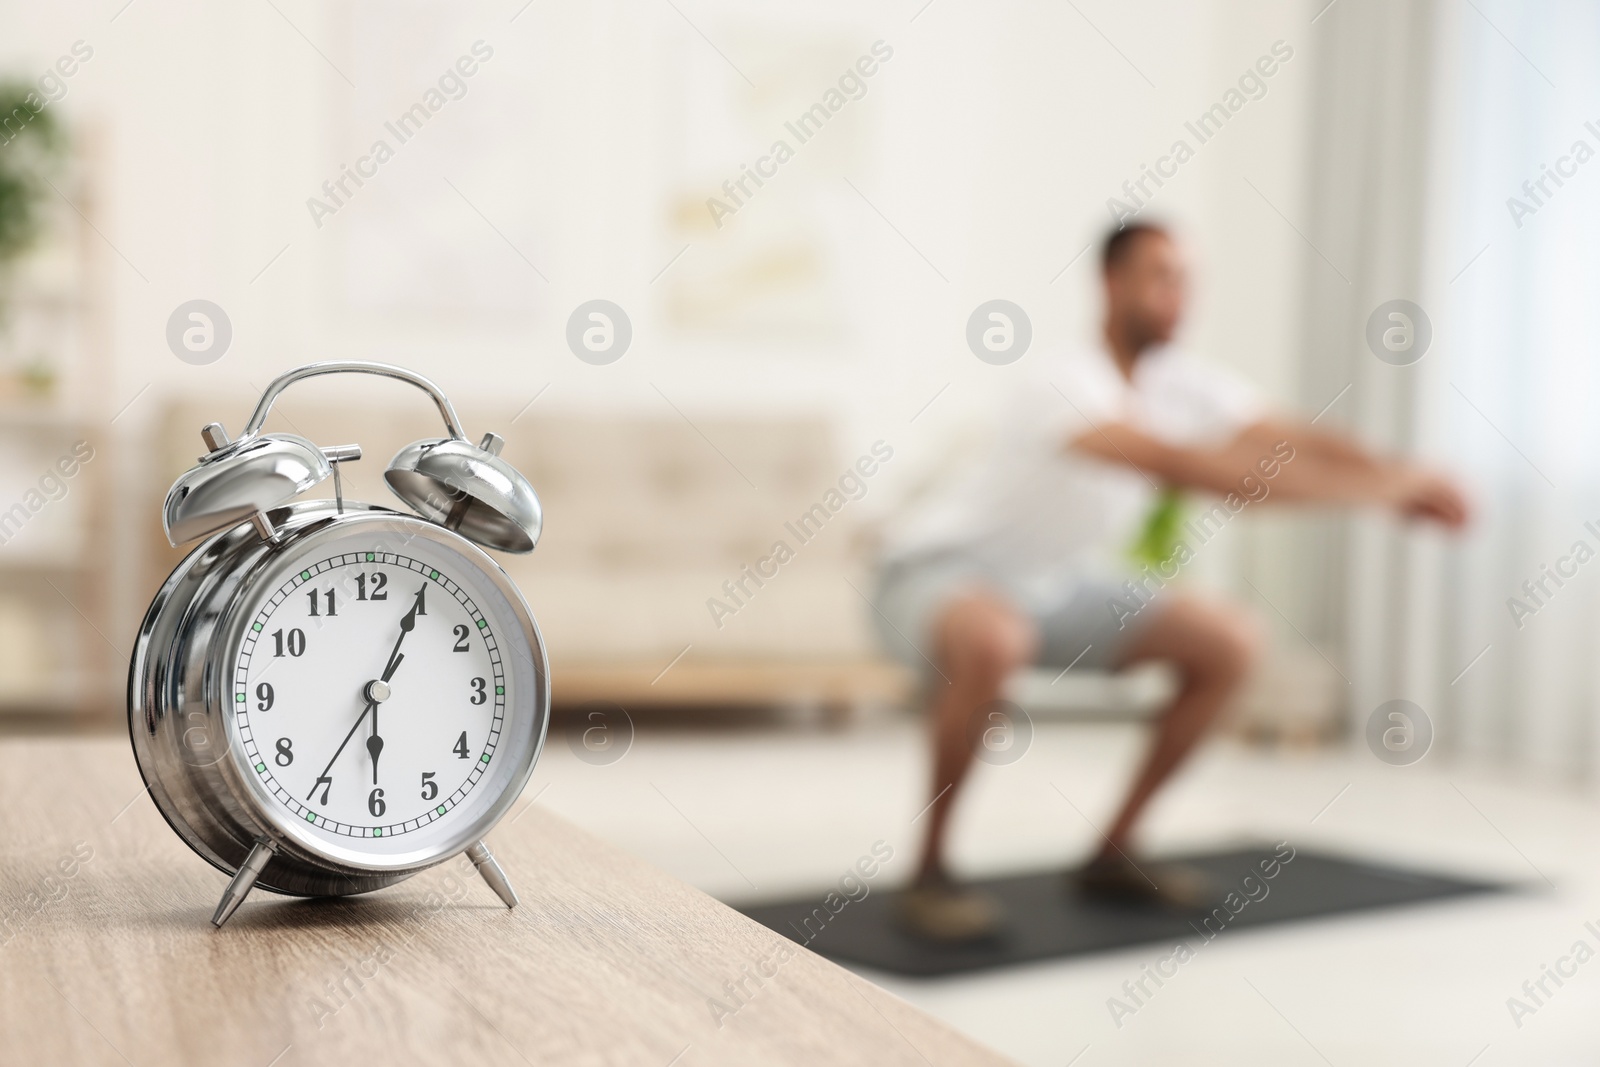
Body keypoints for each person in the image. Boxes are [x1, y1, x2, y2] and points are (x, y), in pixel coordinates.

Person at [874, 222, 1470, 943]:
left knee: (1230, 639)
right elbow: (1202, 472)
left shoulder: (1185, 383)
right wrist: (1382, 494)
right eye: (1160, 276)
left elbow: (1288, 437)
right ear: (1111, 283)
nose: (1177, 296)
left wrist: (1394, 471)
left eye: (1187, 279)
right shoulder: (1062, 382)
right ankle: (931, 871)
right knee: (996, 635)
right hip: (937, 574)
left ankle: (1113, 852)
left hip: (1058, 586)